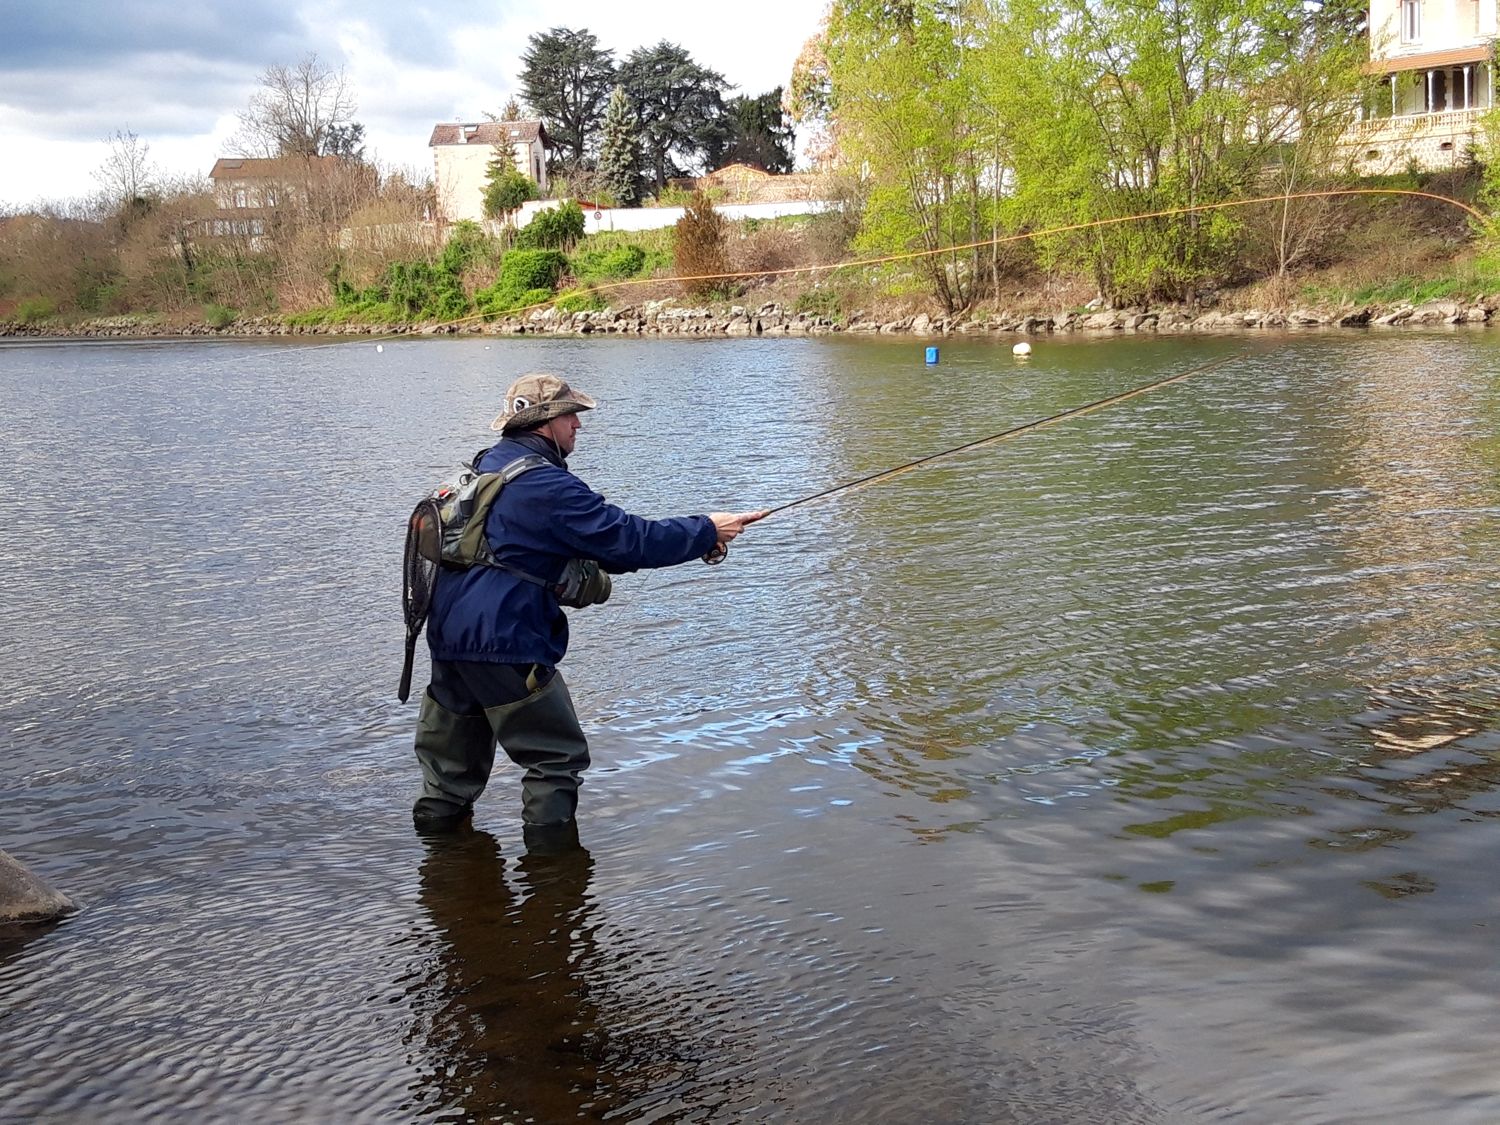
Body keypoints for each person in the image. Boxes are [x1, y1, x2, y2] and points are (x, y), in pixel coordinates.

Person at [412, 372, 766, 837]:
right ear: (545, 423)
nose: (578, 425)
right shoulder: (546, 485)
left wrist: (700, 539)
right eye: (571, 416)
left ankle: (438, 861)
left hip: (447, 638)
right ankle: (552, 869)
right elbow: (627, 540)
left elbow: (593, 548)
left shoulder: (487, 467)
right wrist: (706, 529)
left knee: (447, 776)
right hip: (506, 639)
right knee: (555, 760)